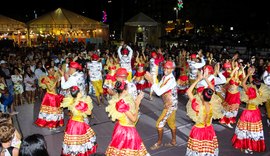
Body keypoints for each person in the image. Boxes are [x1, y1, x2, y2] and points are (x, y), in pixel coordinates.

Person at [105, 81, 149, 156]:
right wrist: (138, 102)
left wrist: (136, 101)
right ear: (126, 89)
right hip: (126, 131)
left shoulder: (119, 97)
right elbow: (134, 119)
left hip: (120, 127)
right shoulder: (122, 103)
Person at [231, 67, 269, 154]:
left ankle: (246, 145)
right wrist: (251, 74)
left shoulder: (250, 90)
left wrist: (248, 74)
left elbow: (243, 83)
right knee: (253, 131)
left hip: (248, 113)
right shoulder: (260, 91)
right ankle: (251, 147)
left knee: (245, 129)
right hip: (256, 112)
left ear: (253, 84)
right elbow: (252, 81)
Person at [185, 71, 223, 156]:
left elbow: (188, 91)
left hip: (198, 130)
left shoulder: (197, 106)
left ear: (201, 96)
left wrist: (198, 79)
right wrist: (206, 78)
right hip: (209, 129)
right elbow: (212, 88)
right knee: (207, 149)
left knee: (197, 149)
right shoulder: (212, 103)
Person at [145, 61, 178, 150]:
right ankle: (174, 142)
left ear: (172, 69)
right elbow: (158, 88)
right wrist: (151, 80)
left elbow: (159, 92)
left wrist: (152, 81)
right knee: (171, 123)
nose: (165, 70)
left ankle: (159, 143)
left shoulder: (171, 80)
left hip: (170, 106)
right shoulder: (165, 77)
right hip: (170, 104)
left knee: (159, 124)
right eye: (164, 68)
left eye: (168, 68)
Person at [61, 86, 97, 156]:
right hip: (78, 124)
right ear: (78, 94)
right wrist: (86, 106)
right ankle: (78, 153)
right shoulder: (80, 104)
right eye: (80, 91)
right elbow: (89, 113)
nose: (81, 92)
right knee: (80, 139)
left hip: (71, 123)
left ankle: (73, 152)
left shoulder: (71, 100)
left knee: (73, 140)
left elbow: (70, 112)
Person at [35, 63, 64, 130]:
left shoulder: (54, 77)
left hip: (56, 95)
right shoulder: (45, 78)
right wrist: (56, 81)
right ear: (48, 71)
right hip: (50, 96)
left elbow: (57, 86)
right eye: (52, 70)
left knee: (56, 112)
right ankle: (50, 125)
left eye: (54, 70)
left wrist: (58, 81)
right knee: (51, 112)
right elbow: (50, 89)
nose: (54, 71)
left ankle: (54, 124)